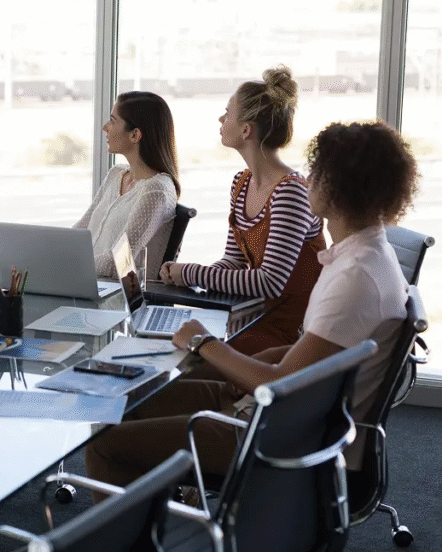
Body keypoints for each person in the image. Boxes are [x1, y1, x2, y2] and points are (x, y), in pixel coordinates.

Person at [86, 120, 419, 498]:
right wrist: (231, 361)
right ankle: (163, 513)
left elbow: (277, 382)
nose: (308, 180)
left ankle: (146, 519)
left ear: (340, 187)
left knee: (105, 444)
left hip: (272, 434)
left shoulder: (355, 279)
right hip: (281, 412)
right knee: (136, 394)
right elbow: (312, 353)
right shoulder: (364, 256)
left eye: (317, 172)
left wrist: (203, 344)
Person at [160, 66, 325, 355]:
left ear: (246, 130)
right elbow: (234, 262)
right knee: (171, 348)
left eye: (227, 113)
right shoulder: (241, 183)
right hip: (252, 319)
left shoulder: (290, 192)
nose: (221, 119)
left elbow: (270, 282)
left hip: (288, 335)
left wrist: (191, 273)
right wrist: (184, 275)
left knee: (180, 359)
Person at [74, 91, 181, 280]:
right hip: (89, 281)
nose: (105, 127)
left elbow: (118, 263)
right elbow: (82, 229)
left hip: (117, 293)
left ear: (135, 135)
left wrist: (69, 263)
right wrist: (48, 249)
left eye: (112, 121)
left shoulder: (156, 191)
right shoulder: (116, 174)